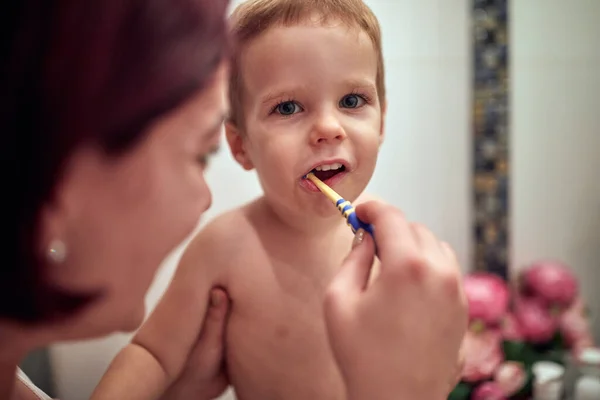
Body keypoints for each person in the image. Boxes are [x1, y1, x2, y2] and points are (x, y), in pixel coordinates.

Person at [1, 0, 466, 399]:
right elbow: (152, 353)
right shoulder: (226, 245)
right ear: (241, 145)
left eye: (352, 100)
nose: (329, 127)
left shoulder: (395, 250)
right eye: (288, 107)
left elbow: (429, 350)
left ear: (382, 122)